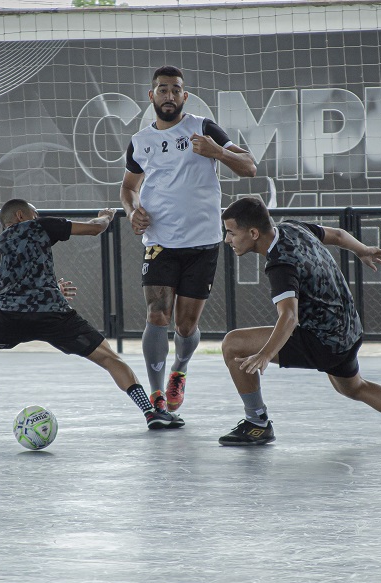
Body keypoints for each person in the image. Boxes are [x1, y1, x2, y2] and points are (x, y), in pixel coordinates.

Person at [218, 196, 381, 446]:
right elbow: (339, 235)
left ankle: (257, 423)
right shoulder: (293, 227)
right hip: (349, 329)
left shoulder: (280, 264)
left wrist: (265, 355)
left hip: (323, 340)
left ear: (253, 232)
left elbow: (289, 316)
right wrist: (363, 250)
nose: (227, 240)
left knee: (233, 344)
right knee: (354, 388)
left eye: (231, 233)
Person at [0, 199, 176, 430]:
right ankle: (150, 412)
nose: (38, 216)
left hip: (8, 317)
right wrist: (106, 216)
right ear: (21, 215)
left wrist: (51, 289)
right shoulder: (38, 226)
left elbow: (11, 289)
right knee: (110, 358)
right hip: (54, 316)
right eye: (35, 213)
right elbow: (94, 228)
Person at [120, 65, 257, 421]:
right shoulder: (140, 141)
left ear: (185, 95)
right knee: (156, 314)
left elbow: (250, 167)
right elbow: (128, 188)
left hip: (203, 244)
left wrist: (218, 152)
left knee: (184, 326)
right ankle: (156, 399)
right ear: (152, 96)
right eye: (162, 90)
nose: (169, 95)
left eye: (175, 90)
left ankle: (179, 370)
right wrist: (133, 210)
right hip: (160, 242)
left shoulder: (203, 128)